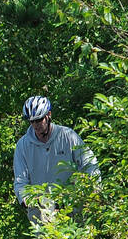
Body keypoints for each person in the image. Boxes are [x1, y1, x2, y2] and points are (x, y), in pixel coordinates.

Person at [12, 95, 100, 226]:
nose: (36, 125)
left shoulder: (67, 136)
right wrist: (26, 199)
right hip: (42, 207)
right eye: (32, 121)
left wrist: (94, 189)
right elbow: (20, 181)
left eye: (39, 119)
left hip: (72, 202)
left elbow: (89, 163)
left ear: (48, 115)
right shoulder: (23, 146)